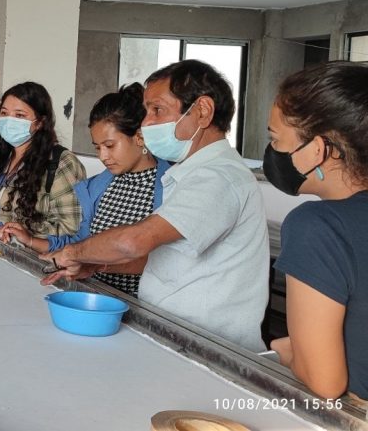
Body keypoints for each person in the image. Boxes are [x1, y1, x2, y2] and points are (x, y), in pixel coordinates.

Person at [40, 60, 269, 352]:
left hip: (209, 347)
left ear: (202, 111)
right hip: (175, 334)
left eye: (157, 110)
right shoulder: (190, 174)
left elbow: (133, 242)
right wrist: (97, 262)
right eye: (146, 112)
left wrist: (71, 253)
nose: (146, 123)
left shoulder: (218, 177)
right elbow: (172, 260)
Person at [264, 62, 368, 400]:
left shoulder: (318, 225)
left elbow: (326, 382)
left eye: (276, 139)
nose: (273, 152)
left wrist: (290, 350)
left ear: (318, 149)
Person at [24, 84, 170, 297]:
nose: (102, 156)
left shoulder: (170, 188)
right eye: (97, 147)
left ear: (139, 137)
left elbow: (164, 260)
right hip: (94, 296)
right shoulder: (97, 188)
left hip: (143, 306)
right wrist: (29, 240)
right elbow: (80, 243)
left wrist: (95, 264)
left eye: (110, 146)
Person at [0, 82, 86, 252]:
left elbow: (72, 229)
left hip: (33, 263)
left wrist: (14, 232)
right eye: (4, 113)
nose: (9, 120)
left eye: (19, 115)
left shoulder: (61, 163)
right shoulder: (1, 158)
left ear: (40, 122)